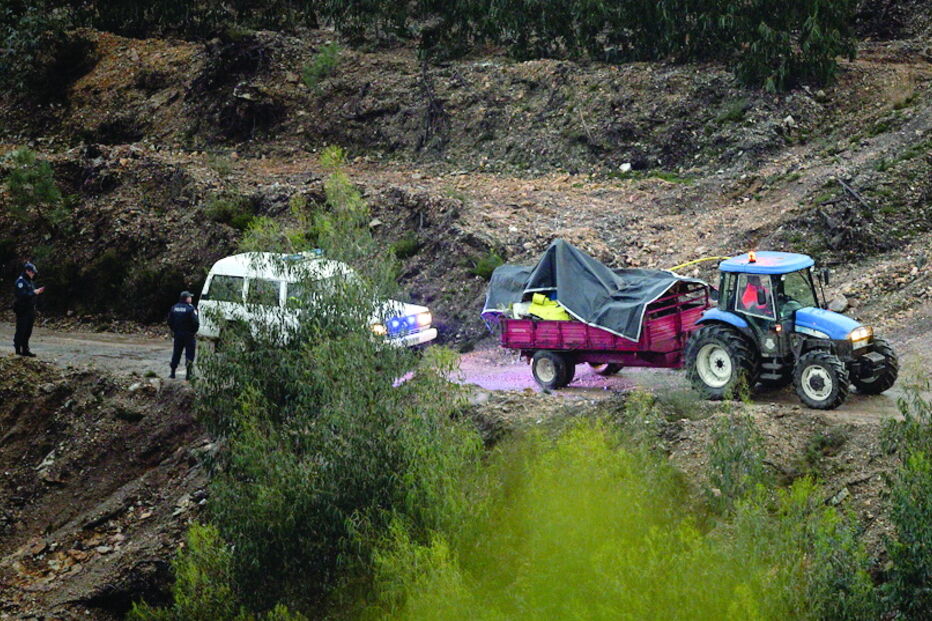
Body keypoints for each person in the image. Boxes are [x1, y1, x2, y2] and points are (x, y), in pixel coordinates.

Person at [12, 262, 45, 356]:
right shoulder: (20, 282)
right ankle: (18, 349)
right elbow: (22, 296)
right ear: (27, 271)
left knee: (28, 331)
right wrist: (35, 292)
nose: (33, 274)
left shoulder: (29, 281)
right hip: (22, 309)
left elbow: (31, 294)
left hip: (30, 309)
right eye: (32, 272)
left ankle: (25, 349)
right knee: (21, 330)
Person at [167, 290, 199, 379]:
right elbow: (196, 323)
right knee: (189, 354)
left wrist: (175, 330)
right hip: (189, 335)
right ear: (186, 299)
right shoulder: (190, 309)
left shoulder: (174, 308)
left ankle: (172, 373)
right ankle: (188, 375)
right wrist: (193, 332)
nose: (191, 298)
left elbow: (169, 321)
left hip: (178, 334)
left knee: (176, 353)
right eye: (190, 297)